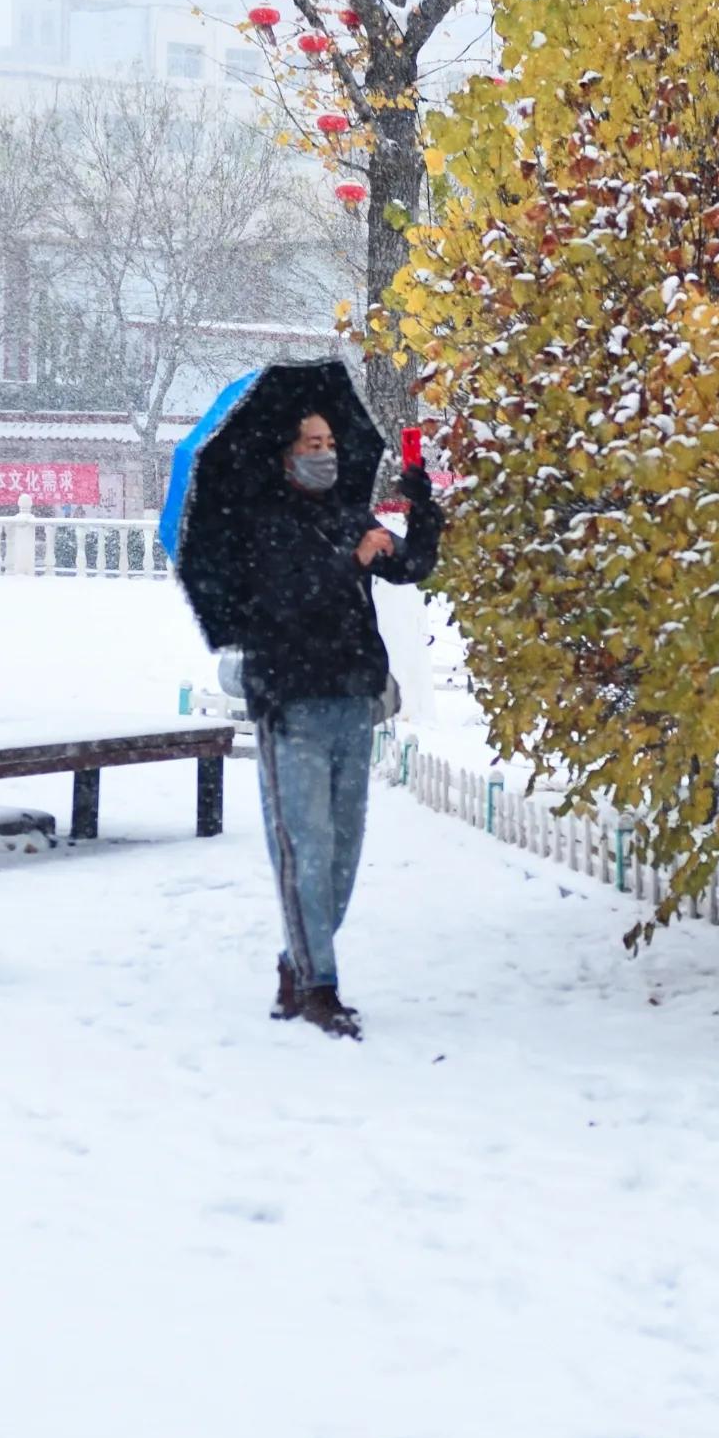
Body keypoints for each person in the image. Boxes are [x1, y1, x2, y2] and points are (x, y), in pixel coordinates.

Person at [226, 411, 441, 1040]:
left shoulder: (349, 514)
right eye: (311, 445)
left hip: (352, 701)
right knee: (305, 850)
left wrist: (420, 505)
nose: (324, 454)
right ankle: (320, 986)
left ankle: (299, 959)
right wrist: (350, 562)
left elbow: (410, 565)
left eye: (329, 444)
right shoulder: (259, 524)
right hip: (289, 706)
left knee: (343, 853)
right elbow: (284, 603)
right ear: (285, 455)